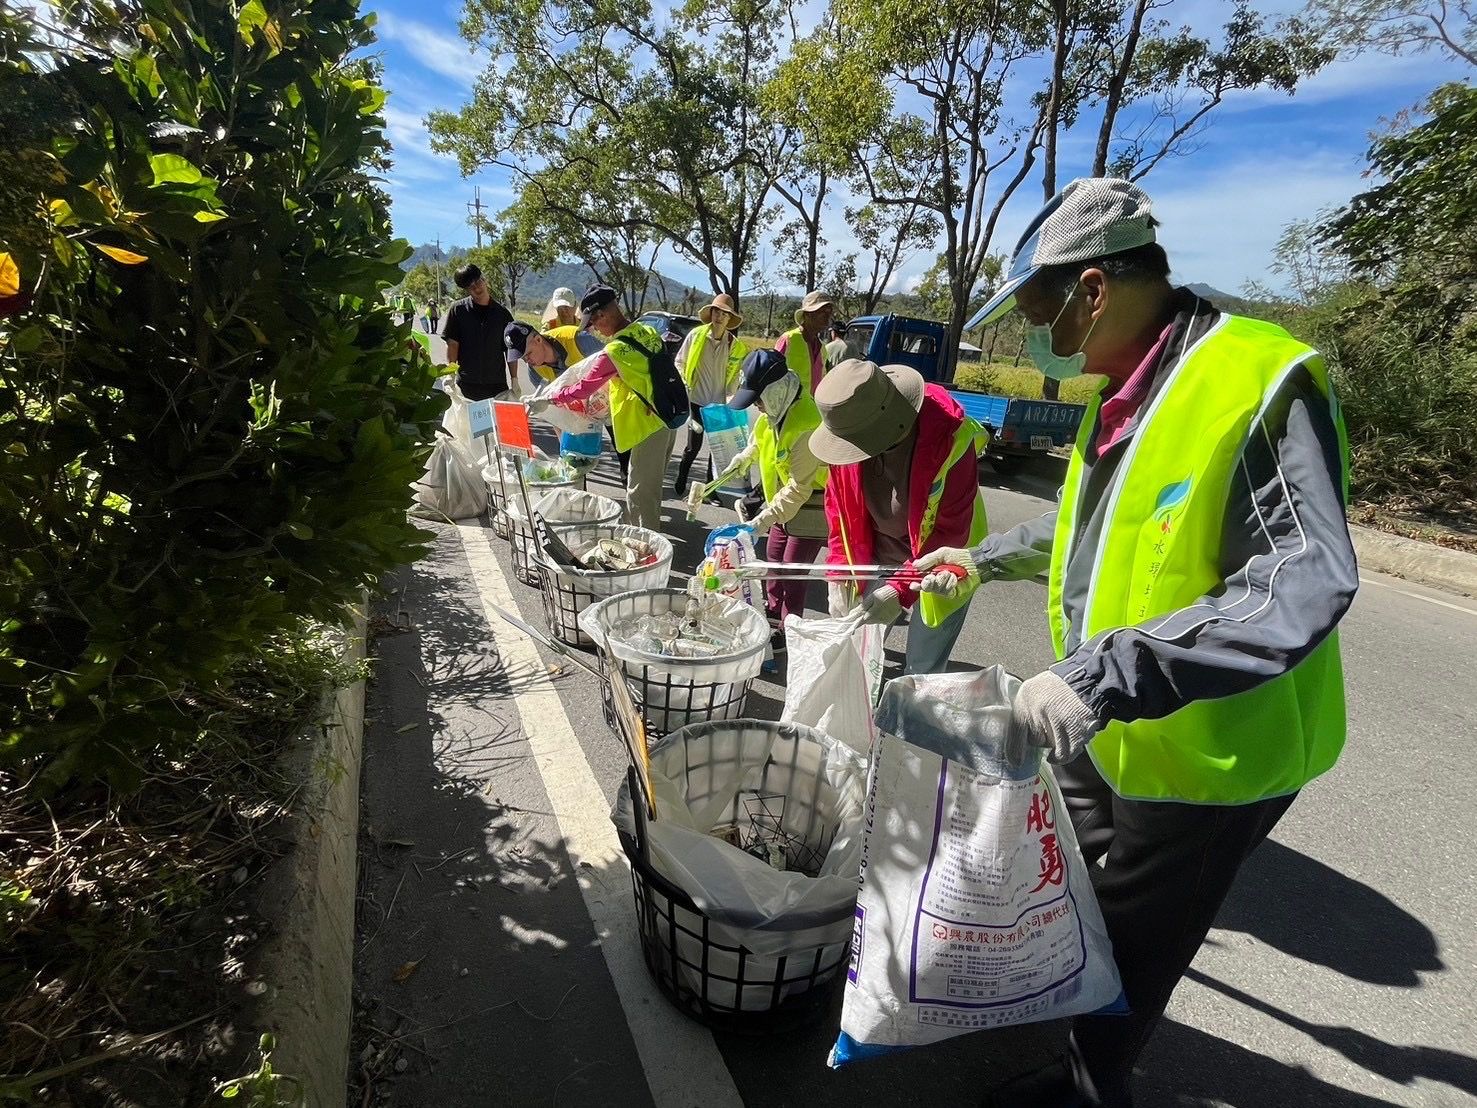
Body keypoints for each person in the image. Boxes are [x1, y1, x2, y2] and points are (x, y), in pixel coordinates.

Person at [912, 177, 1358, 1108]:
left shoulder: (1257, 378)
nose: (1025, 330)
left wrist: (1103, 676)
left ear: (1091, 288)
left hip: (1211, 752)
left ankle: (1087, 1087)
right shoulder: (1120, 393)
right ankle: (1054, 1013)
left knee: (1138, 941)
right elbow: (1092, 533)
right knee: (1072, 884)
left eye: (1032, 304)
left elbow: (1302, 575)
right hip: (1108, 721)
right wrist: (979, 557)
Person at [808, 358, 988, 675]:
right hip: (880, 554)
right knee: (860, 652)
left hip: (943, 561)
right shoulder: (849, 429)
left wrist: (898, 590)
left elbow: (950, 532)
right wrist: (839, 572)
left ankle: (910, 720)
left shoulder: (950, 439)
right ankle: (862, 720)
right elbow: (840, 515)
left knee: (922, 666)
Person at [689, 350, 828, 638]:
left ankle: (790, 630)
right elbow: (759, 439)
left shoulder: (807, 424)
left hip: (809, 505)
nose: (759, 408)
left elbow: (799, 487)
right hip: (781, 503)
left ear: (776, 391)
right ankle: (773, 614)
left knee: (791, 571)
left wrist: (760, 521)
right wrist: (741, 459)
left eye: (759, 400)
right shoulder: (777, 410)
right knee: (772, 563)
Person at [534, 284, 678, 530]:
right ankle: (642, 538)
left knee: (640, 493)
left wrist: (550, 400)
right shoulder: (646, 329)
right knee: (650, 488)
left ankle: (646, 551)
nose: (595, 330)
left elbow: (584, 386)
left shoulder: (615, 350)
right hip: (667, 417)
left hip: (647, 426)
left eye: (594, 324)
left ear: (602, 315)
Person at [673, 292, 749, 497]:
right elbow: (680, 361)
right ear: (711, 312)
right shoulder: (696, 336)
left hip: (719, 405)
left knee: (716, 451)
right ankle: (682, 477)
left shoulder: (735, 346)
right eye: (716, 311)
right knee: (693, 447)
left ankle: (710, 490)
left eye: (724, 314)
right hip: (696, 400)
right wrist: (683, 380)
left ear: (729, 319)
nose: (719, 316)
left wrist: (732, 400)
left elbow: (735, 378)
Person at [440, 264, 515, 402]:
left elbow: (510, 350)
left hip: (497, 385)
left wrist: (514, 380)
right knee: (469, 423)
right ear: (466, 290)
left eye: (478, 282)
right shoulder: (458, 310)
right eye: (470, 286)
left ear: (484, 279)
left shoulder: (502, 314)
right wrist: (450, 374)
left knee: (496, 423)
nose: (476, 288)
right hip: (468, 384)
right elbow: (452, 344)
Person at [502, 320, 603, 391]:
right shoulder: (534, 371)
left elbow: (614, 361)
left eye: (528, 354)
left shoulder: (578, 340)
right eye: (522, 358)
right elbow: (553, 404)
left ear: (538, 339)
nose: (526, 360)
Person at [775, 290, 833, 398]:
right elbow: (771, 376)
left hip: (811, 409)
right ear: (808, 314)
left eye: (829, 312)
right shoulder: (789, 339)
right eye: (822, 311)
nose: (827, 316)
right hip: (787, 409)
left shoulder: (822, 348)